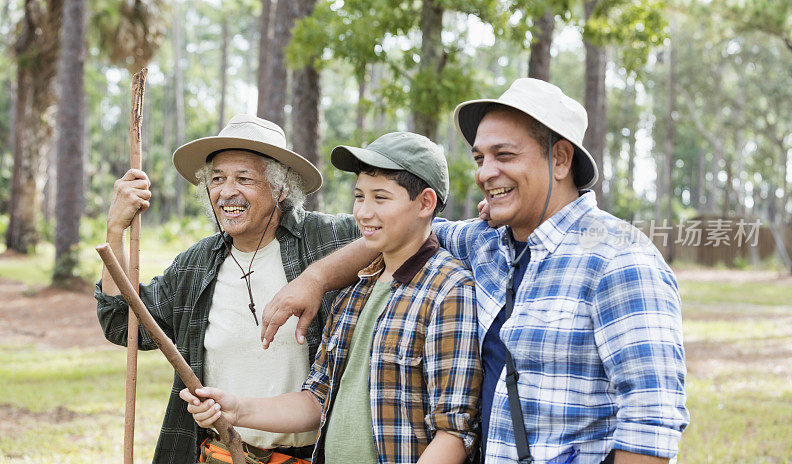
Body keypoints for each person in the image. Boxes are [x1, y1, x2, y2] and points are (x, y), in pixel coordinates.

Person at [259, 79, 690, 464]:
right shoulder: (485, 242)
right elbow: (398, 232)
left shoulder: (621, 259)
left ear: (560, 159)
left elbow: (651, 420)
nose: (486, 173)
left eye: (505, 155)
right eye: (480, 157)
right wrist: (315, 280)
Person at [180, 132, 483, 464]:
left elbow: (453, 432)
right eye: (359, 196)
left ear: (425, 203)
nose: (364, 213)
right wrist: (237, 408)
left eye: (380, 198)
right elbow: (316, 400)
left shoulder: (448, 290)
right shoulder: (353, 293)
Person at [95, 114, 361, 464]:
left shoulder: (331, 239)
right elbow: (121, 322)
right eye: (217, 179)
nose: (226, 191)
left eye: (244, 178)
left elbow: (402, 233)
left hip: (311, 455)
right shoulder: (197, 263)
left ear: (281, 188)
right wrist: (116, 228)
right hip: (219, 455)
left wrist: (317, 277)